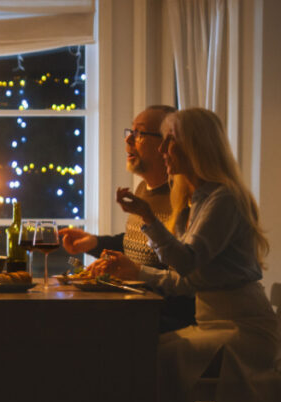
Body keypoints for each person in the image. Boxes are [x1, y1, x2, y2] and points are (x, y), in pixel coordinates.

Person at [112, 107, 281, 402]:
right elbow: (189, 282)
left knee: (149, 363)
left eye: (172, 141)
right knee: (146, 363)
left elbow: (187, 263)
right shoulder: (197, 198)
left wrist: (146, 219)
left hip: (243, 330)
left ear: (196, 147)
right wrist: (136, 273)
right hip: (216, 324)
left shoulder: (223, 198)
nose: (165, 150)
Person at [60, 104, 194, 332]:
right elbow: (138, 244)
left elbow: (185, 271)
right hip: (136, 308)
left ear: (166, 144)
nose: (128, 141)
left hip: (164, 318)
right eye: (129, 132)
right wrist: (94, 243)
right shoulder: (143, 189)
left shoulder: (185, 198)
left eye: (139, 133)